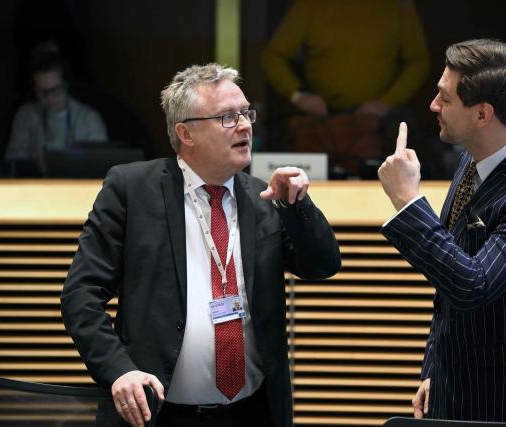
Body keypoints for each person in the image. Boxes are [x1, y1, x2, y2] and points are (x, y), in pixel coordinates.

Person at [60, 63, 341, 427]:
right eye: (227, 117)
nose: (244, 125)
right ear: (186, 133)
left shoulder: (264, 197)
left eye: (245, 113)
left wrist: (297, 206)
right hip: (160, 413)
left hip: (253, 412)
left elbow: (323, 265)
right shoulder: (132, 189)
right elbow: (80, 294)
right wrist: (118, 371)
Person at [378, 39, 506, 422]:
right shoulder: (475, 159)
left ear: (482, 114)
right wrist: (434, 368)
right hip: (456, 383)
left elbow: (474, 285)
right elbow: (448, 289)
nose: (433, 106)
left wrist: (408, 201)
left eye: (445, 98)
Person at [260, 0, 430, 175]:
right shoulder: (311, 4)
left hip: (380, 121)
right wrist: (299, 96)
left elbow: (418, 62)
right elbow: (274, 56)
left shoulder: (397, 5)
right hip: (319, 122)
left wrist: (386, 103)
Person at [6, 43, 108, 174]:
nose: (48, 98)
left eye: (54, 90)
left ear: (66, 85)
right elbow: (13, 163)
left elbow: (101, 166)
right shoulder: (25, 116)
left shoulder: (89, 119)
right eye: (42, 92)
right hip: (34, 189)